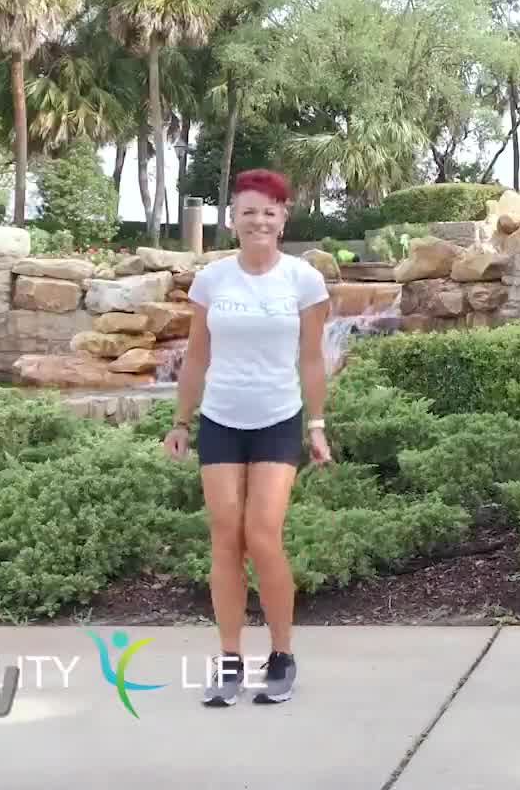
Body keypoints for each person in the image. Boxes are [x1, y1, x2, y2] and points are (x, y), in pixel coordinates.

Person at [164, 168, 333, 708]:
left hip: (278, 418)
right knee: (225, 538)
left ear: (283, 219)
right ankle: (230, 658)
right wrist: (181, 421)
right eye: (248, 211)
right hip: (220, 419)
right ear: (233, 219)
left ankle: (281, 655)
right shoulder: (212, 280)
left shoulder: (303, 280)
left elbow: (312, 360)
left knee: (262, 535)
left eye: (269, 211)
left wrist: (317, 425)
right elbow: (196, 356)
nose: (259, 220)